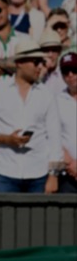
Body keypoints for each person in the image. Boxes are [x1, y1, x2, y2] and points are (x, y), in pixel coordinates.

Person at [0, 38, 62, 193]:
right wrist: (6, 139)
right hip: (4, 171)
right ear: (19, 63)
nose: (40, 67)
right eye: (35, 62)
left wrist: (53, 175)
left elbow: (54, 137)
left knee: (39, 218)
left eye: (41, 62)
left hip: (38, 173)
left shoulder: (47, 95)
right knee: (2, 217)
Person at [56, 52, 77, 192]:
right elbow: (53, 136)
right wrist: (71, 164)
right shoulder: (56, 101)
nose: (70, 75)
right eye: (65, 71)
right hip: (67, 173)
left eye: (75, 70)